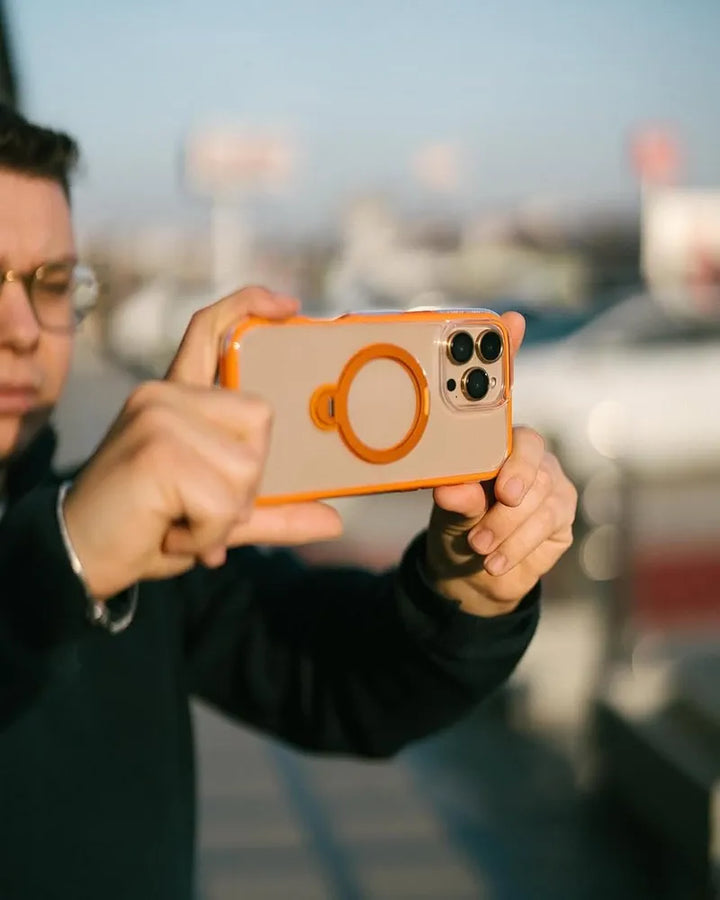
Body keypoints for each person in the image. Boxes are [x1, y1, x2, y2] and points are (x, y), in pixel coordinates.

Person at [0, 104, 577, 900]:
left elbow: (334, 682)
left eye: (54, 281)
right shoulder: (97, 529)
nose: (24, 328)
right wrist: (63, 559)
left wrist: (465, 590)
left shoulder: (142, 539)